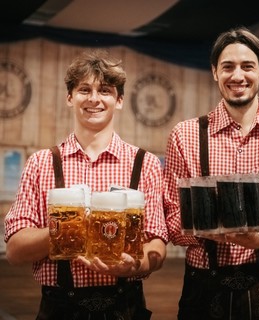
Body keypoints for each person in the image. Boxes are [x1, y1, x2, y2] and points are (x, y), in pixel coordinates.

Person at [163, 27, 259, 320]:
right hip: (203, 288)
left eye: (247, 66)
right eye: (227, 67)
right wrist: (206, 233)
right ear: (214, 72)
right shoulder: (184, 136)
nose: (237, 76)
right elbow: (171, 217)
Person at [4, 49, 168, 320]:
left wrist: (134, 265)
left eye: (105, 90)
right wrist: (68, 228)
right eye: (84, 90)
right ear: (70, 98)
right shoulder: (41, 163)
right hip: (59, 308)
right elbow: (15, 252)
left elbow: (157, 245)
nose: (94, 99)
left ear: (120, 100)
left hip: (125, 306)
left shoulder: (145, 163)